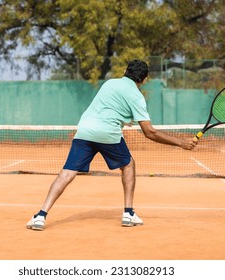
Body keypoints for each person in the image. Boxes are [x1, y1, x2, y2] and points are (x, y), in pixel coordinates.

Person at [26, 60, 197, 231]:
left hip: (84, 130)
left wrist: (124, 118)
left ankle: (40, 216)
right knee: (128, 164)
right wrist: (181, 143)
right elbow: (149, 132)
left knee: (67, 172)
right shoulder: (137, 96)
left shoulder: (110, 83)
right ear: (144, 79)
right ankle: (128, 213)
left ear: (125, 70)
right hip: (108, 134)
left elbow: (109, 107)